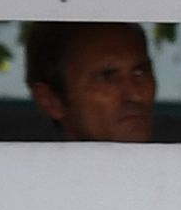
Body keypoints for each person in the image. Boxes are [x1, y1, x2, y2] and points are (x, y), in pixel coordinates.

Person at [24, 21, 158, 143]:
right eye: (107, 77)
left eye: (141, 73)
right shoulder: (21, 167)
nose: (135, 94)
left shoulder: (177, 159)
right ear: (50, 101)